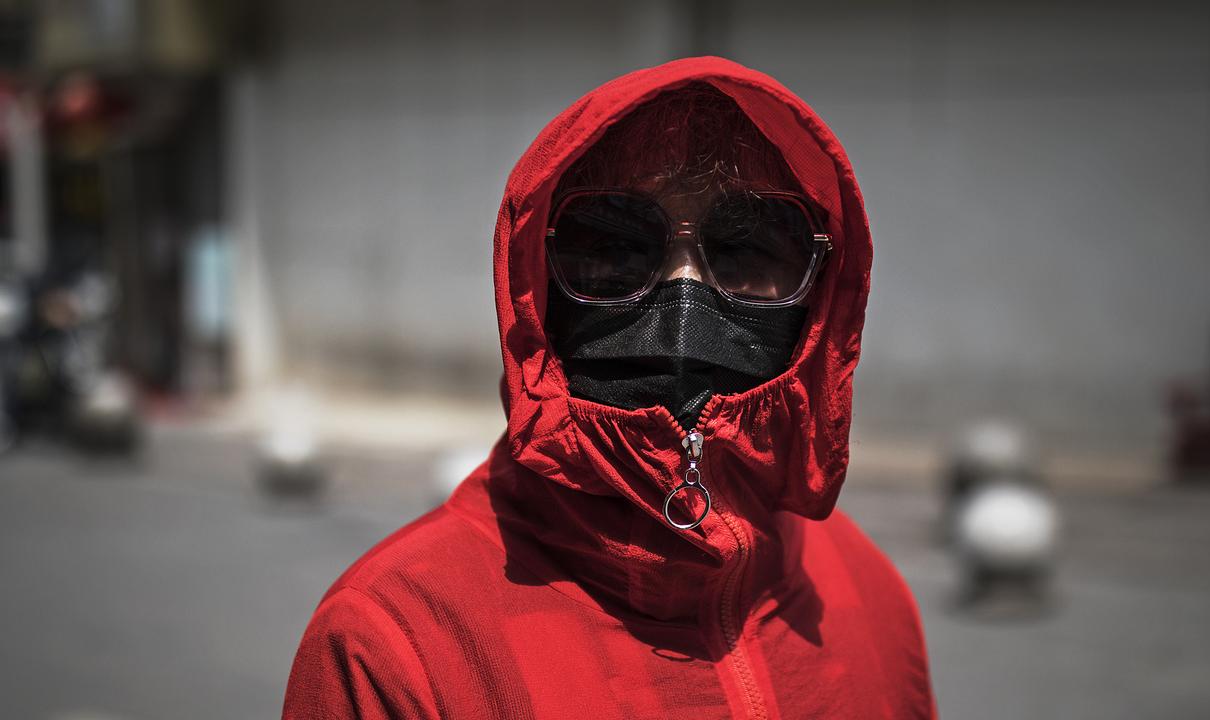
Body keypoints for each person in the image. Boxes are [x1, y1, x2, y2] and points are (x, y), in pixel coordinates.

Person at [283, 56, 936, 719]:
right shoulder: (397, 645)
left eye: (750, 249)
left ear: (825, 288)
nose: (685, 301)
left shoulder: (867, 595)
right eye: (614, 246)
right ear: (534, 275)